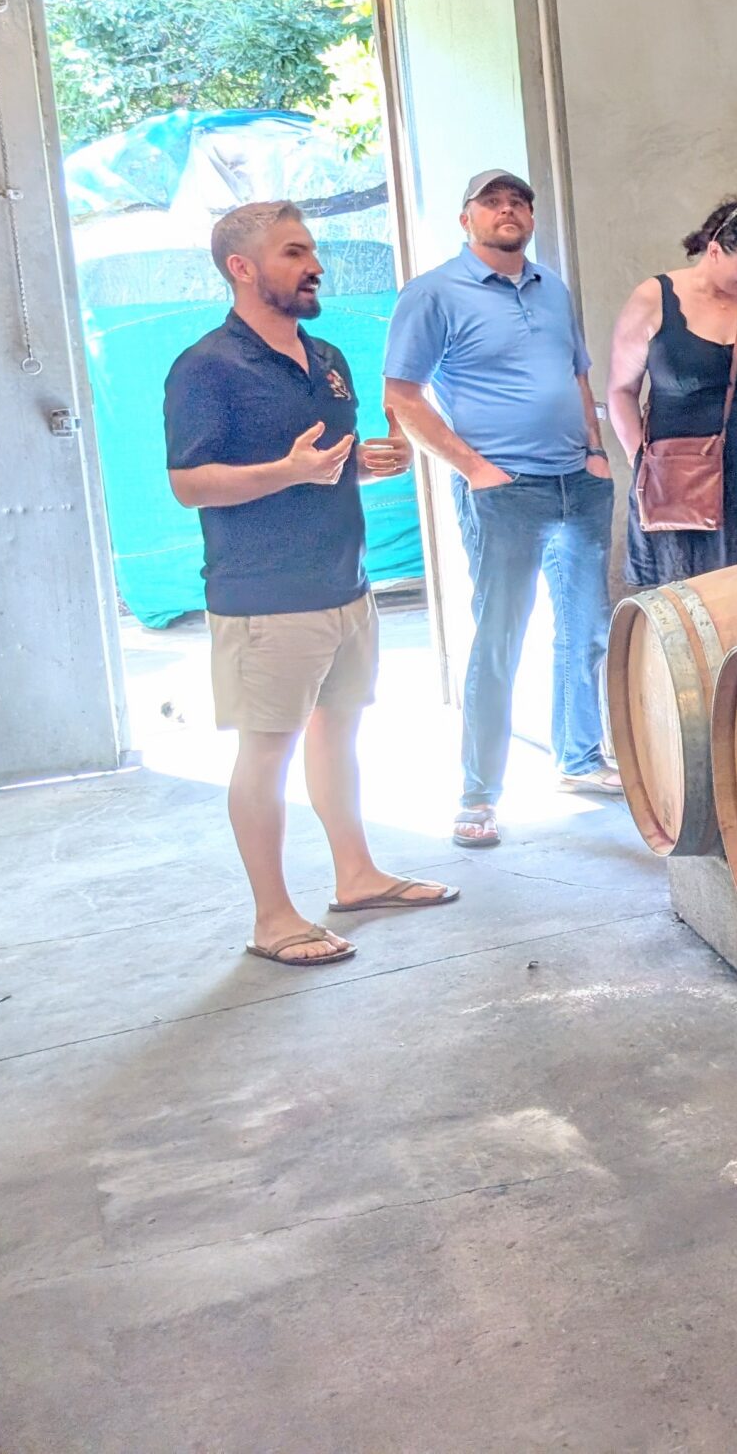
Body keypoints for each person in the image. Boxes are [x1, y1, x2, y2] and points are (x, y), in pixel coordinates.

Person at [164, 200, 452, 967]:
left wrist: (361, 464)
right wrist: (286, 472)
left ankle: (356, 876)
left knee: (341, 734)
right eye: (294, 252)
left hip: (345, 584)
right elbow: (190, 483)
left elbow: (323, 462)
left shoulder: (325, 357)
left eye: (312, 250)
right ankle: (272, 918)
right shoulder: (205, 368)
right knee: (267, 754)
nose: (314, 264)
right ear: (242, 267)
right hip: (264, 597)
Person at [384, 170, 618, 850]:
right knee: (499, 639)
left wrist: (597, 452)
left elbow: (578, 375)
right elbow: (402, 396)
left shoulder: (553, 289)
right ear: (467, 220)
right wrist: (475, 470)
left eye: (519, 201)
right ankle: (478, 794)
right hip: (503, 493)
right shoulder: (433, 294)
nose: (508, 210)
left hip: (579, 481)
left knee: (586, 628)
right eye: (492, 202)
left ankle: (578, 759)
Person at [604, 197, 737, 584]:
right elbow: (621, 391)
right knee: (694, 601)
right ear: (715, 251)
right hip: (683, 487)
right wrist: (641, 461)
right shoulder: (654, 299)